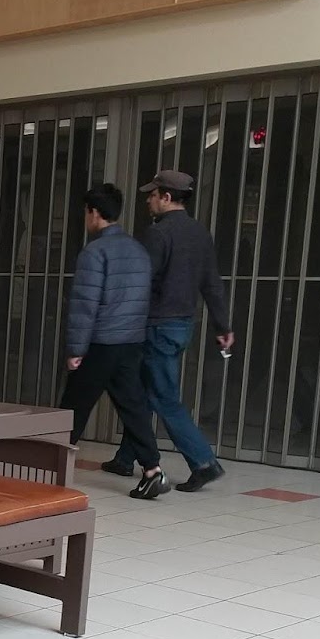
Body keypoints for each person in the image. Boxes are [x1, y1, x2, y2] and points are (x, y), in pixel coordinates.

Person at [107, 170, 235, 492]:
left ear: (166, 197)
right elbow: (212, 283)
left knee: (163, 397)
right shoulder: (200, 233)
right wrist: (222, 325)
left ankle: (203, 462)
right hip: (182, 325)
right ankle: (126, 457)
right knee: (144, 391)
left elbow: (141, 280)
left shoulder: (158, 233)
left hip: (157, 325)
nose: (148, 200)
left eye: (152, 195)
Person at [60, 185, 168, 501]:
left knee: (73, 408)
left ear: (94, 212)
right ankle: (152, 470)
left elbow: (85, 305)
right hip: (130, 340)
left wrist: (76, 349)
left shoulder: (94, 252)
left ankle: (51, 472)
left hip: (101, 341)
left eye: (86, 212)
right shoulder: (137, 250)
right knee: (133, 405)